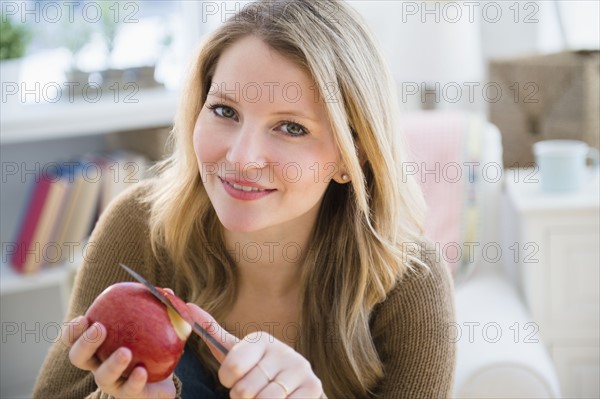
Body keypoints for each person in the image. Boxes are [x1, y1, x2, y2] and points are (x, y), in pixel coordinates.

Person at [33, 0, 455, 398]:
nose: (241, 158)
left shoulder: (412, 283)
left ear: (352, 156)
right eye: (225, 111)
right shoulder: (137, 224)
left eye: (291, 128)